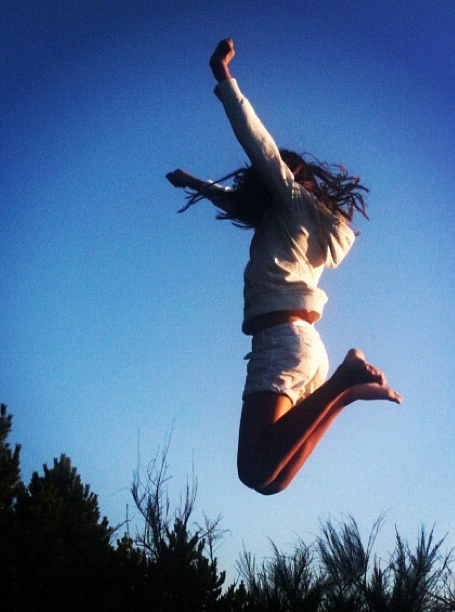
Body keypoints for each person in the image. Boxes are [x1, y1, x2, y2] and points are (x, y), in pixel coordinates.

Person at [167, 39, 402, 495]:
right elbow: (236, 202)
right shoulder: (299, 224)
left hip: (282, 341)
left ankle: (343, 380)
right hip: (302, 344)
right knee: (270, 483)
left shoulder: (292, 200)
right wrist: (195, 183)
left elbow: (259, 144)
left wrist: (223, 78)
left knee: (254, 470)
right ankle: (345, 391)